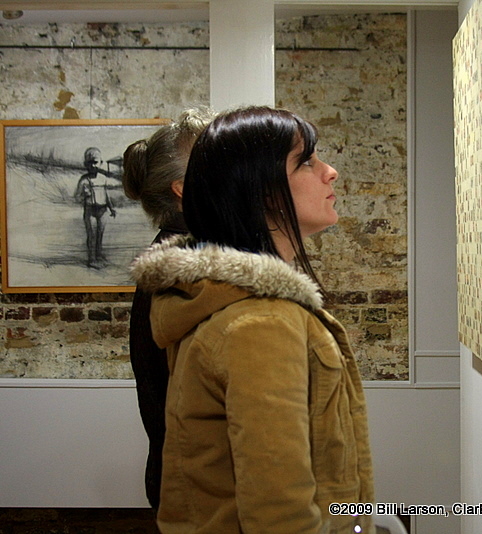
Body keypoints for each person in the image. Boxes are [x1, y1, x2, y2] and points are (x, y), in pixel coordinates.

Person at [130, 106, 374, 533]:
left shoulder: (240, 307)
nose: (330, 172)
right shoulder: (260, 324)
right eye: (306, 161)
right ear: (259, 190)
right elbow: (279, 513)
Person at [122, 106, 216, 511]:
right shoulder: (181, 265)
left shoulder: (193, 253)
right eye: (215, 159)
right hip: (197, 489)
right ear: (182, 187)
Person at [74, 147, 117, 268]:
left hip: (103, 210)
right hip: (90, 210)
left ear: (101, 163)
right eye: (90, 163)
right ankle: (91, 259)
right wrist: (84, 195)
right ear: (85, 164)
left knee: (100, 234)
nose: (92, 165)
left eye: (95, 162)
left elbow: (106, 194)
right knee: (92, 234)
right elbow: (76, 197)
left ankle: (98, 255)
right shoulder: (83, 180)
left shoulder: (103, 178)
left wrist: (111, 208)